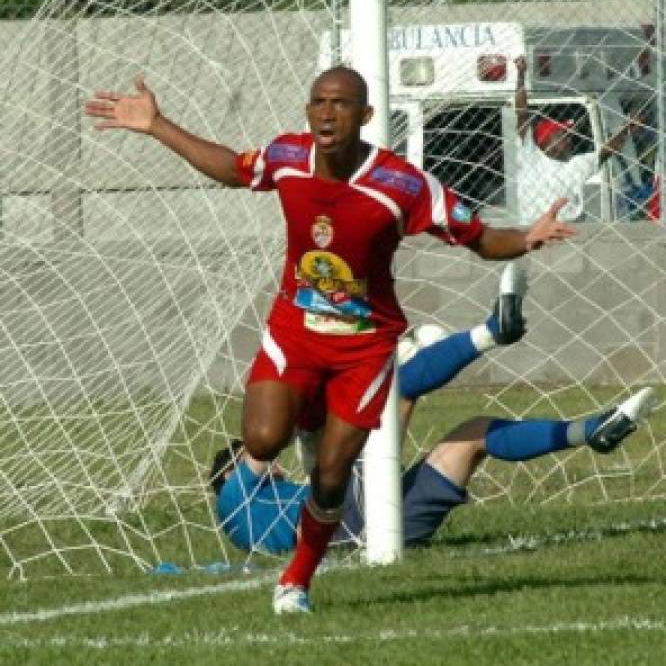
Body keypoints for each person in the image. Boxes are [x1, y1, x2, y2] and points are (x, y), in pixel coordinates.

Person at [85, 65, 575, 615]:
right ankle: (311, 414)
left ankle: (296, 580)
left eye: (341, 103)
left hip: (363, 349)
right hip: (294, 332)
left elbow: (480, 238)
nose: (326, 112)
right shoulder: (287, 158)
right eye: (318, 101)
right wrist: (157, 125)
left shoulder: (402, 185)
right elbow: (229, 168)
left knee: (333, 474)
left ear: (365, 116)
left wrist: (528, 238)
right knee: (264, 440)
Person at [211, 265, 657, 573]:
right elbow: (272, 431)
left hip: (388, 524)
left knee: (473, 435)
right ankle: (490, 332)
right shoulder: (237, 496)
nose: (272, 461)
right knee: (395, 391)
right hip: (347, 516)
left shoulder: (251, 522)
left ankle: (589, 432)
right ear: (229, 473)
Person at [515, 56, 641, 224]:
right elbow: (521, 113)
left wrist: (628, 129)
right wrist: (521, 76)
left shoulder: (577, 164)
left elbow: (607, 150)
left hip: (569, 231)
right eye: (562, 136)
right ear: (545, 141)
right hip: (534, 230)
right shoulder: (530, 156)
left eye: (568, 137)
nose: (569, 141)